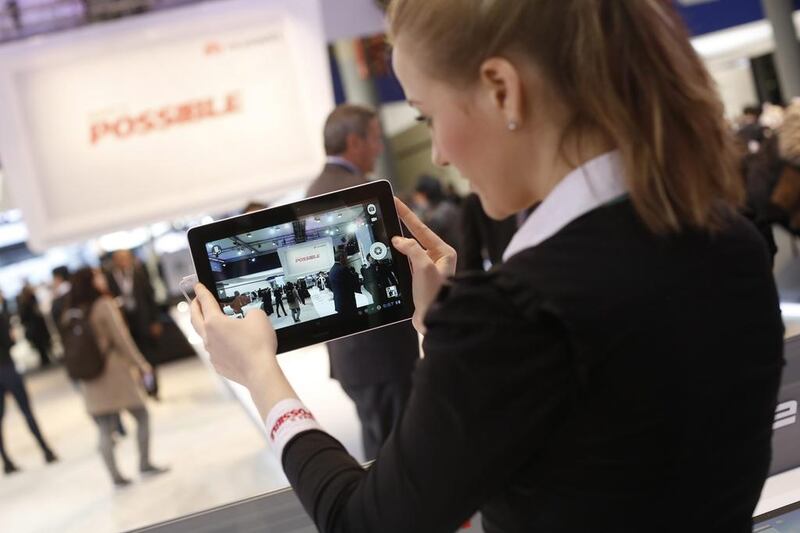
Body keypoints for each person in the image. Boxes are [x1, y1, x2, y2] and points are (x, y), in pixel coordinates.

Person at [191, 1, 785, 532]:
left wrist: (259, 372)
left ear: (502, 88)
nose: (442, 153)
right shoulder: (730, 238)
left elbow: (362, 523)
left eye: (427, 116)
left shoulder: (517, 313)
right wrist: (449, 330)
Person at [304, 103, 421, 460]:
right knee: (397, 447)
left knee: (379, 439)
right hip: (382, 349)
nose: (379, 147)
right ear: (354, 141)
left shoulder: (314, 190)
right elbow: (406, 258)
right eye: (374, 138)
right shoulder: (363, 190)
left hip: (351, 353)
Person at [69, 267, 167, 487]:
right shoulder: (103, 305)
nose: (102, 278)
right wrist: (141, 364)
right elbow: (122, 339)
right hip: (114, 373)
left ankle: (115, 477)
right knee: (142, 416)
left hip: (90, 376)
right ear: (92, 281)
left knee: (105, 428)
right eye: (98, 276)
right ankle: (144, 464)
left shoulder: (73, 309)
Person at [0, 310, 57, 474]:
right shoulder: (1, 317)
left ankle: (6, 461)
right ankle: (46, 450)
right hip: (7, 368)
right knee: (27, 412)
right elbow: (9, 341)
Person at [105, 250, 163, 399]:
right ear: (114, 261)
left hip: (144, 322)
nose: (123, 261)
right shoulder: (109, 278)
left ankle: (153, 387)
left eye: (125, 258)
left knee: (149, 357)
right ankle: (143, 386)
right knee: (133, 357)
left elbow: (151, 298)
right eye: (119, 259)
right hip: (124, 324)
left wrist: (155, 320)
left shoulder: (139, 274)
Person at [413, 174, 462, 253]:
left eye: (417, 195)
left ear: (424, 194)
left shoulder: (437, 216)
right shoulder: (450, 207)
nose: (415, 198)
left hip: (454, 259)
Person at [17, 283, 53, 367]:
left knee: (42, 345)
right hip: (36, 328)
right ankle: (45, 360)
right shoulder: (26, 303)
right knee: (41, 345)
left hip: (37, 327)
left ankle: (45, 360)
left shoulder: (30, 300)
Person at [327, 248, 360, 316]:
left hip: (339, 302)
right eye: (346, 257)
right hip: (348, 302)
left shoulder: (332, 270)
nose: (347, 259)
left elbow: (330, 286)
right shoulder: (343, 269)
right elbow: (353, 283)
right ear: (341, 257)